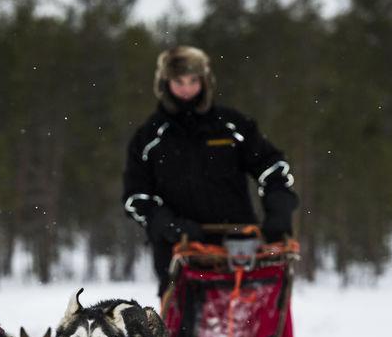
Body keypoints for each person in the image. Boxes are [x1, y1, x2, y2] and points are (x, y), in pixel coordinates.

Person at [122, 46, 299, 293]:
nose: (186, 89)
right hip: (179, 253)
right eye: (178, 81)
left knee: (250, 323)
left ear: (205, 81)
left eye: (193, 80)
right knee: (183, 329)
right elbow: (135, 196)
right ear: (164, 83)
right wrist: (166, 224)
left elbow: (272, 166)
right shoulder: (149, 137)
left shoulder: (232, 126)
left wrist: (278, 206)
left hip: (240, 248)